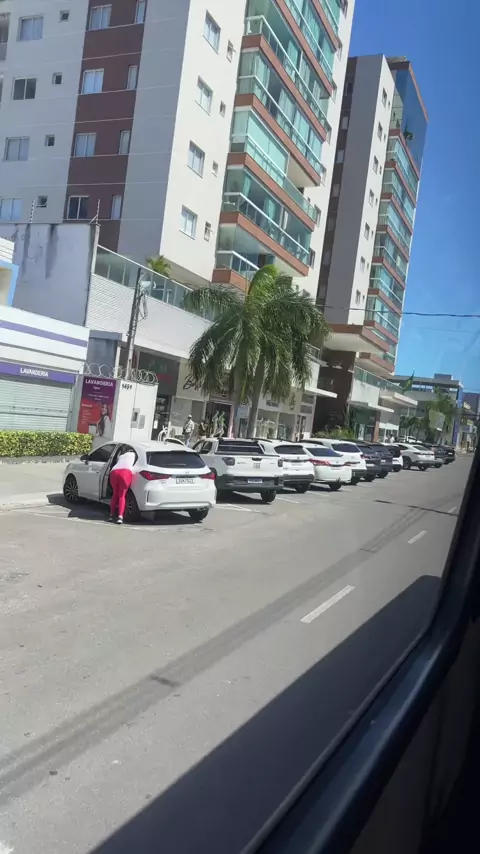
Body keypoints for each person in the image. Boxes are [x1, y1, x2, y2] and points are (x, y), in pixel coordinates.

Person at [109, 445, 136, 525]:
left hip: (114, 471)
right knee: (122, 495)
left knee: (115, 494)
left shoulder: (121, 456)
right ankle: (120, 517)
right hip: (125, 472)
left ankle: (111, 515)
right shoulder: (135, 455)